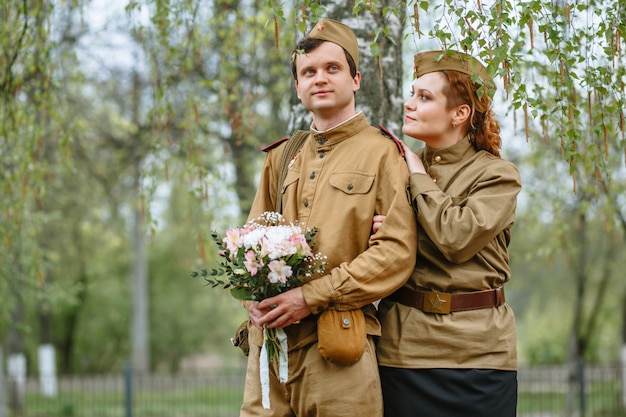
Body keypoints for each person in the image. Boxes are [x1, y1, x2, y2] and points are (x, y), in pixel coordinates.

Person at [239, 18, 418, 417]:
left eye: (332, 68)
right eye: (308, 72)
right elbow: (249, 243)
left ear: (355, 80)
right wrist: (249, 299)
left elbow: (395, 255)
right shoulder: (281, 156)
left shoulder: (384, 153)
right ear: (298, 86)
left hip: (339, 352)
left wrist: (310, 297)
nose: (319, 78)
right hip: (270, 353)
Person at [373, 50, 522, 417]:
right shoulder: (390, 168)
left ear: (460, 114)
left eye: (424, 97)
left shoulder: (498, 176)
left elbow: (456, 238)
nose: (409, 104)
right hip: (404, 351)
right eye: (412, 94)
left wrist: (416, 176)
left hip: (480, 355)